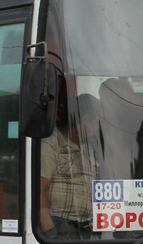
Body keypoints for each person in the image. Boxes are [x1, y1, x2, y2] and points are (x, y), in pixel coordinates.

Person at [39, 94, 101, 236]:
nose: (97, 129)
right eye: (95, 123)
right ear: (84, 120)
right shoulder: (52, 144)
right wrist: (51, 232)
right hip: (60, 223)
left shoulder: (90, 149)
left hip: (87, 226)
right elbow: (38, 191)